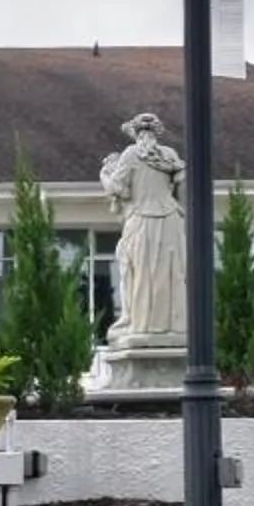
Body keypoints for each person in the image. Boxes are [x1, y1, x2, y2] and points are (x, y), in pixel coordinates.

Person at [98, 113, 187, 348]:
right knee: (170, 274)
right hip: (171, 220)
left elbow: (119, 189)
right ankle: (172, 325)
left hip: (142, 221)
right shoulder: (169, 155)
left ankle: (143, 326)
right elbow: (182, 185)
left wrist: (105, 174)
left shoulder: (131, 154)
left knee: (140, 275)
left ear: (136, 133)